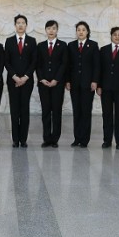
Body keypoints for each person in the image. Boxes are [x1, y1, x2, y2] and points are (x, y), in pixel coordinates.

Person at [4, 14, 37, 148]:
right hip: (13, 81)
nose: (21, 25)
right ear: (15, 25)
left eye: (23, 23)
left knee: (24, 109)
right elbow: (6, 61)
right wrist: (15, 77)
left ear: (26, 25)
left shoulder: (32, 41)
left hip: (27, 81)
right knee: (14, 110)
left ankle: (23, 139)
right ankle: (15, 139)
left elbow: (34, 61)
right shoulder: (9, 41)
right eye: (18, 23)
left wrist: (25, 77)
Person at [97, 26, 119, 149]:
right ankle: (107, 140)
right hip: (106, 88)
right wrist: (99, 86)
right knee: (106, 115)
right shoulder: (104, 50)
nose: (117, 37)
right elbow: (100, 69)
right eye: (115, 34)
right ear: (111, 36)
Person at [66, 21, 100, 148]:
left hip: (88, 84)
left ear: (87, 32)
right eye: (78, 30)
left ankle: (85, 139)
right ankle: (77, 138)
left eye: (83, 30)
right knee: (77, 111)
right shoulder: (71, 45)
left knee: (86, 111)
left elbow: (96, 65)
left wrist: (95, 81)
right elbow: (68, 65)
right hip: (74, 84)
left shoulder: (93, 45)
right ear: (76, 32)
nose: (81, 32)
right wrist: (67, 80)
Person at [36, 20, 68, 148]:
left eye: (54, 28)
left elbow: (64, 64)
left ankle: (55, 139)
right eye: (49, 28)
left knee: (56, 111)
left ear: (57, 30)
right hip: (43, 84)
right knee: (45, 111)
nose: (51, 31)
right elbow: (37, 64)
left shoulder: (63, 45)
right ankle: (46, 138)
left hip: (57, 84)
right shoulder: (40, 46)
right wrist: (41, 78)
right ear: (45, 30)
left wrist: (56, 79)